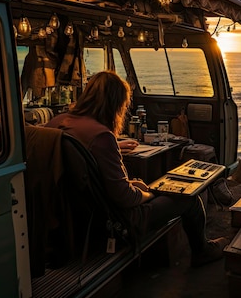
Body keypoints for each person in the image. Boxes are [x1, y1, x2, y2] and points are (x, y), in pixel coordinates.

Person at [46, 71, 228, 267]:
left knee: (150, 187)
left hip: (73, 215)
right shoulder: (102, 137)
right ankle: (202, 250)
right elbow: (124, 197)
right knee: (188, 199)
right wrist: (148, 193)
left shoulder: (56, 123)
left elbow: (88, 171)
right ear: (115, 104)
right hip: (116, 221)